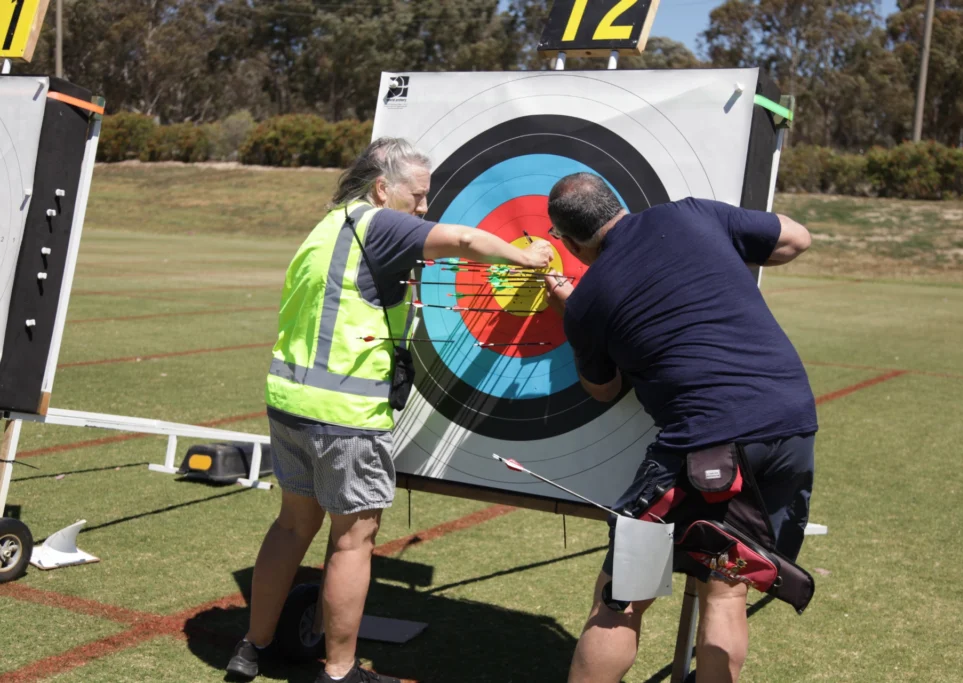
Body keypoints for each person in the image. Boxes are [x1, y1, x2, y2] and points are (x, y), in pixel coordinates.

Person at [227, 138, 554, 683]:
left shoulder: (328, 225)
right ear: (383, 189)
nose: (424, 207)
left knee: (291, 527)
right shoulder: (381, 223)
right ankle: (340, 672)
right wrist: (526, 257)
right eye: (417, 195)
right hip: (345, 413)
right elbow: (464, 239)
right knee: (352, 541)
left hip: (289, 404)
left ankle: (251, 647)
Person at [541, 173, 816, 683]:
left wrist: (574, 311)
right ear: (616, 203)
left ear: (571, 245)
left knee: (622, 598)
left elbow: (604, 388)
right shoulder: (691, 214)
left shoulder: (586, 301)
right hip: (791, 427)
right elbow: (796, 238)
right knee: (726, 590)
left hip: (707, 448)